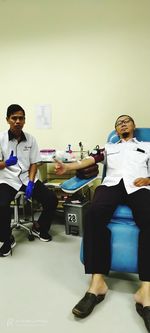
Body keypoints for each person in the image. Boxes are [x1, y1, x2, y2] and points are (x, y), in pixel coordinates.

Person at [55, 115, 150, 332]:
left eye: (127, 121)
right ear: (116, 130)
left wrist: (149, 180)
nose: (123, 123)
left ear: (133, 126)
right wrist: (68, 168)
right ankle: (97, 283)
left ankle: (146, 290)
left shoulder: (147, 146)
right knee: (93, 215)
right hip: (112, 186)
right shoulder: (108, 147)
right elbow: (89, 161)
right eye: (119, 122)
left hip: (139, 186)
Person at [0, 104, 58, 257]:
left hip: (27, 178)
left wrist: (31, 182)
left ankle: (39, 227)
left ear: (24, 120)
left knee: (51, 199)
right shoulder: (1, 138)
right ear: (8, 120)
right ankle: (7, 239)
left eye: (21, 118)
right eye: (14, 118)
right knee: (1, 205)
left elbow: (34, 163)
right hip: (7, 179)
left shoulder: (31, 139)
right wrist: (5, 163)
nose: (17, 121)